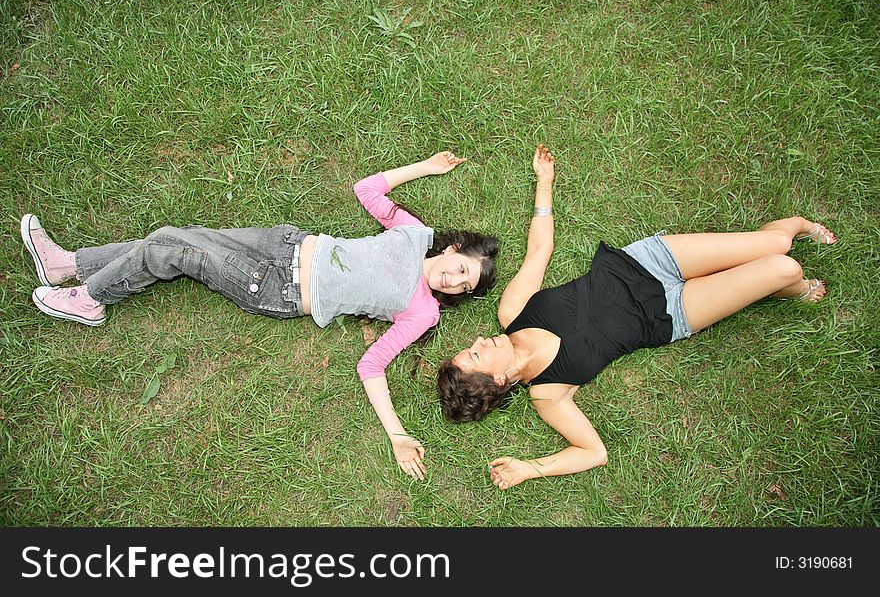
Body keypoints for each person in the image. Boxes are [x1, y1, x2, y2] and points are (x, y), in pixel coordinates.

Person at [22, 151, 498, 480]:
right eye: (461, 268)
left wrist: (397, 435)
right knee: (181, 236)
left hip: (277, 288)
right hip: (283, 243)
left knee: (172, 245)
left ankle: (91, 299)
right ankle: (69, 265)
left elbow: (371, 366)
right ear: (453, 249)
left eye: (465, 286)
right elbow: (368, 190)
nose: (455, 281)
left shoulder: (422, 312)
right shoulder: (416, 234)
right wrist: (428, 168)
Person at [437, 144, 837, 490]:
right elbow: (593, 452)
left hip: (645, 264)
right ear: (499, 380)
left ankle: (798, 228)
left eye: (468, 348)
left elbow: (539, 251)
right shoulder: (548, 393)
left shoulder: (512, 313)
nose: (477, 342)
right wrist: (530, 469)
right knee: (782, 270)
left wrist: (545, 181)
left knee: (779, 242)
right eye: (474, 356)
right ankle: (797, 287)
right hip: (668, 315)